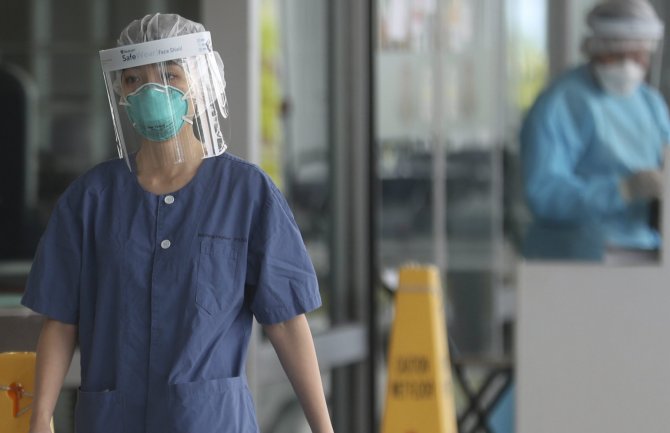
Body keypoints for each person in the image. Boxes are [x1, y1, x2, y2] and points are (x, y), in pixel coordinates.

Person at [23, 13, 334, 433]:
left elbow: (285, 322)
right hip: (113, 421)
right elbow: (62, 320)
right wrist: (39, 419)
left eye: (170, 75)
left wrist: (323, 428)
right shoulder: (91, 199)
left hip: (209, 422)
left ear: (202, 84)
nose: (152, 91)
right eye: (134, 79)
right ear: (121, 92)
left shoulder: (246, 193)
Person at [520, 0, 670, 261]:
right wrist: (622, 190)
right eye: (618, 54)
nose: (628, 66)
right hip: (574, 256)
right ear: (595, 47)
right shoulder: (561, 103)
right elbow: (543, 192)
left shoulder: (650, 104)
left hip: (645, 252)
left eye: (638, 56)